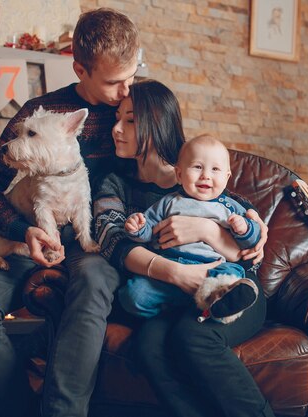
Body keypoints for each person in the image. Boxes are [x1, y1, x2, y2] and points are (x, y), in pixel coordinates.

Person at [0, 8, 140, 417]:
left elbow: (178, 169)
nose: (127, 90)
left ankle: (62, 412)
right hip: (34, 231)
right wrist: (23, 230)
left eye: (133, 74)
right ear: (79, 69)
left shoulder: (139, 108)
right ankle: (21, 405)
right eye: (113, 81)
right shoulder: (39, 114)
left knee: (92, 284)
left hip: (97, 239)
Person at [94, 79, 275, 417]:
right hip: (172, 295)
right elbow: (111, 240)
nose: (116, 129)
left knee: (193, 337)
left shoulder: (199, 174)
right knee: (149, 347)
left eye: (130, 120)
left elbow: (248, 233)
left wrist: (208, 230)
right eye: (117, 118)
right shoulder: (115, 182)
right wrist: (178, 273)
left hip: (233, 289)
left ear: (156, 122)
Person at [120, 135, 261, 324]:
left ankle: (218, 306)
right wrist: (137, 228)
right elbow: (149, 231)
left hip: (214, 269)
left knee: (231, 276)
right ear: (179, 174)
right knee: (133, 295)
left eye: (215, 169)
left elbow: (251, 243)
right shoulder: (168, 203)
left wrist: (244, 229)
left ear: (227, 177)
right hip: (170, 269)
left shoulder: (231, 207)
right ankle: (174, 310)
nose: (206, 175)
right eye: (197, 167)